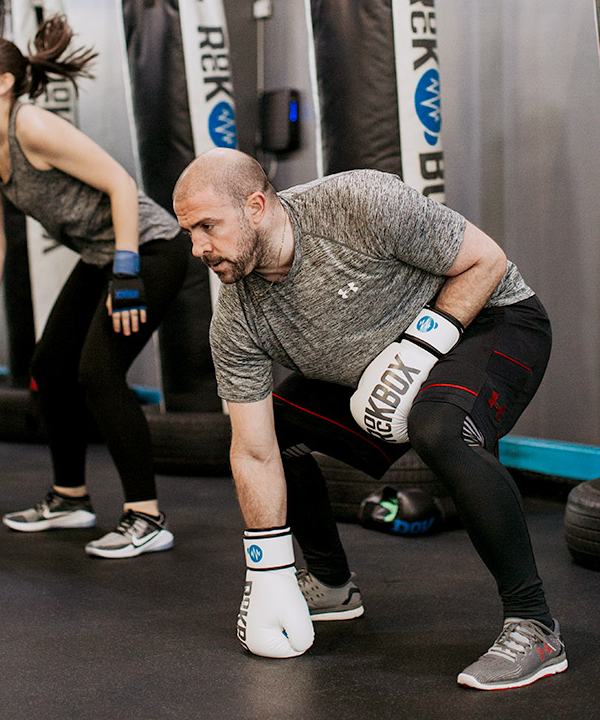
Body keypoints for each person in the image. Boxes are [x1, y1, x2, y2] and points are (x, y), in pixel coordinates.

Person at [172, 147, 567, 691]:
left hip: (490, 319)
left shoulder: (358, 204)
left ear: (257, 206)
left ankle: (535, 626)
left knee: (438, 426)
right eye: (189, 232)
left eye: (207, 226)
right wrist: (267, 569)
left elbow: (487, 261)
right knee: (278, 428)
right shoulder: (236, 320)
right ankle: (331, 584)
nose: (198, 248)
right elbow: (254, 451)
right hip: (374, 377)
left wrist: (421, 347)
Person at [0, 15, 188, 558]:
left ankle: (146, 517)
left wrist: (126, 274)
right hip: (104, 256)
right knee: (48, 367)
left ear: (3, 82)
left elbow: (121, 184)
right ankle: (70, 497)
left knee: (99, 373)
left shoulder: (31, 125)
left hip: (150, 249)